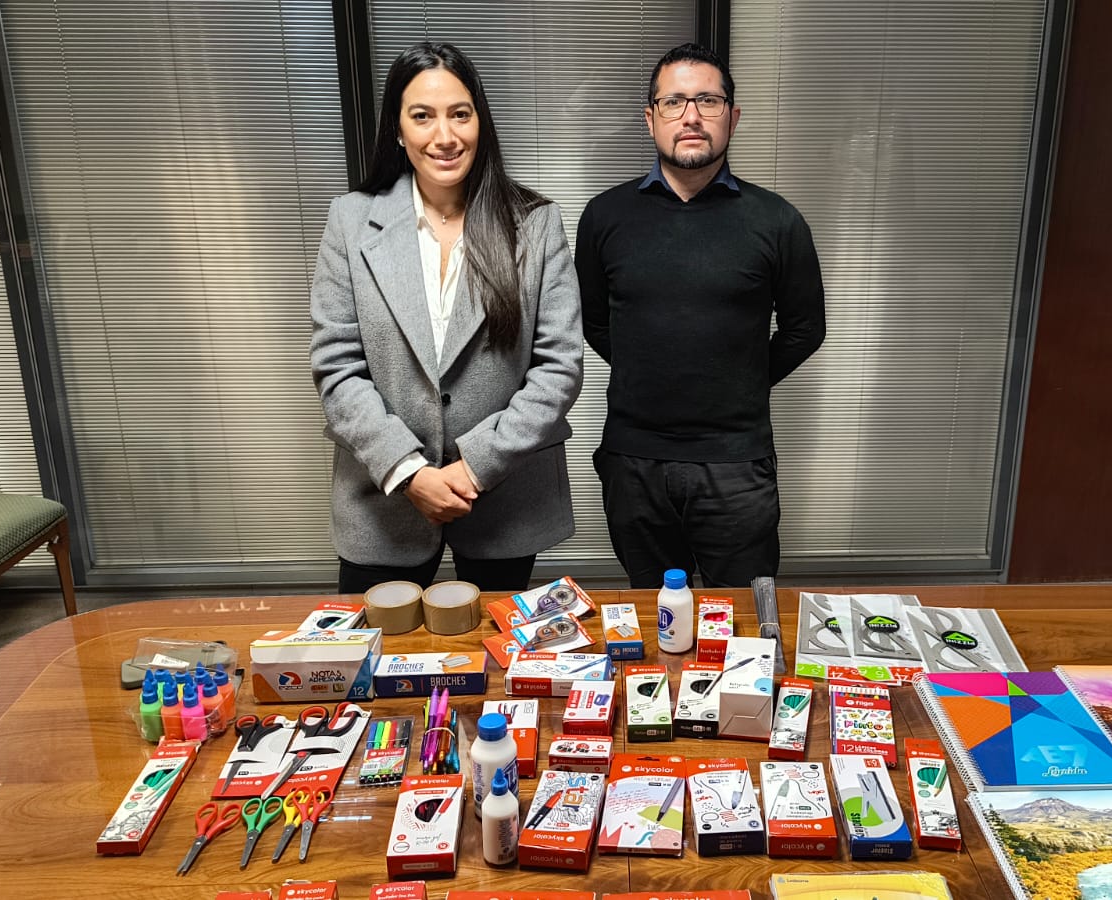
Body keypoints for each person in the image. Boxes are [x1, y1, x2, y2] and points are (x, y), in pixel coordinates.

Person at [310, 42, 582, 594]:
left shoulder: (534, 224)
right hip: (383, 504)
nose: (445, 136)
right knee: (380, 665)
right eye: (423, 116)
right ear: (397, 129)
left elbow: (559, 367)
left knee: (502, 666)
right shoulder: (351, 219)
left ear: (480, 121)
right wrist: (408, 471)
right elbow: (336, 366)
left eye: (460, 114)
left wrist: (474, 465)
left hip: (504, 500)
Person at [576, 42, 825, 589]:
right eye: (674, 102)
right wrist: (652, 367)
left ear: (733, 117)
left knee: (737, 620)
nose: (691, 116)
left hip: (737, 464)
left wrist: (739, 375)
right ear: (651, 119)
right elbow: (594, 321)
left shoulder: (778, 221)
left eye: (708, 101)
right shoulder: (604, 216)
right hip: (633, 461)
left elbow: (806, 329)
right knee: (654, 612)